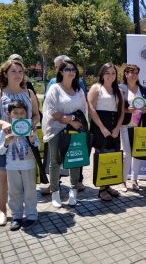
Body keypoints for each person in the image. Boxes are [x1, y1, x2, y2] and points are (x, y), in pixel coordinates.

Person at [0, 59, 40, 225]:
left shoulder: (28, 93)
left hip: (25, 143)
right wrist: (3, 123)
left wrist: (33, 123)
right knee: (3, 174)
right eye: (13, 71)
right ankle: (2, 211)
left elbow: (36, 114)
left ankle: (28, 212)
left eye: (20, 71)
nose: (18, 75)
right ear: (5, 73)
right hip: (3, 140)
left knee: (24, 179)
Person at [42, 59, 86, 208]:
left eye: (73, 69)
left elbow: (83, 111)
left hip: (74, 130)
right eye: (68, 69)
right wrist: (67, 120)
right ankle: (55, 192)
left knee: (75, 160)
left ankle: (73, 191)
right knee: (55, 162)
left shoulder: (78, 90)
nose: (71, 72)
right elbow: (50, 110)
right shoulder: (55, 88)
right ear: (61, 72)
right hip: (56, 129)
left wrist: (73, 119)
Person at [0, 100, 41, 230]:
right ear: (9, 114)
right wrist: (6, 142)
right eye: (15, 113)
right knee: (14, 192)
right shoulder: (5, 131)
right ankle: (16, 216)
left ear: (26, 113)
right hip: (12, 166)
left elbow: (38, 146)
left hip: (29, 166)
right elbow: (0, 151)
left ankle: (32, 215)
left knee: (30, 191)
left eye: (22, 113)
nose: (19, 116)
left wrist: (33, 140)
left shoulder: (31, 129)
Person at [88, 63, 124, 201]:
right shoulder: (96, 88)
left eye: (113, 73)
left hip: (114, 126)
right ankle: (101, 189)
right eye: (107, 73)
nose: (110, 76)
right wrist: (102, 128)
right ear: (102, 74)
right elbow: (91, 108)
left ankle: (107, 185)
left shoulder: (118, 91)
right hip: (99, 126)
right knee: (101, 156)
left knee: (111, 156)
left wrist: (117, 127)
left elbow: (121, 111)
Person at [118, 64, 146, 191]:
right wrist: (126, 110)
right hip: (125, 125)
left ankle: (135, 180)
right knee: (127, 154)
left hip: (140, 126)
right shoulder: (120, 88)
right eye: (131, 72)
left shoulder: (143, 89)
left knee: (137, 153)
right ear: (126, 74)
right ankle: (123, 180)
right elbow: (116, 106)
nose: (134, 75)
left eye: (136, 73)